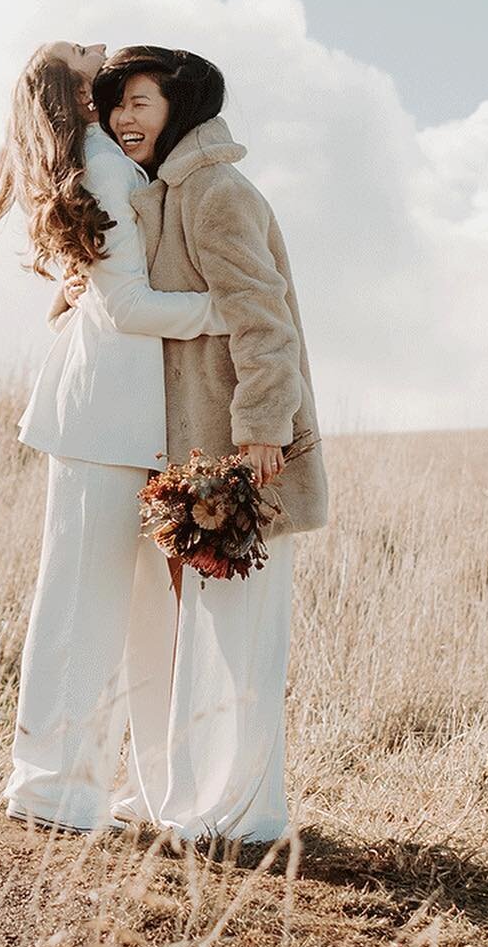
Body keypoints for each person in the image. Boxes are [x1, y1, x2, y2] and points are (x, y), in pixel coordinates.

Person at [0, 40, 227, 833]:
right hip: (99, 421)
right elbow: (132, 308)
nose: (100, 49)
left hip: (137, 424)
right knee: (80, 610)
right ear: (79, 94)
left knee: (146, 619)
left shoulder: (115, 162)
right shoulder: (106, 169)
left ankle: (140, 792)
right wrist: (229, 312)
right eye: (85, 55)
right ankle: (49, 790)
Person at [84, 46, 329, 844]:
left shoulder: (216, 192)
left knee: (235, 631)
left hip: (238, 451)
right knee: (195, 625)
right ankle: (188, 793)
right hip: (191, 452)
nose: (123, 118)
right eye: (116, 103)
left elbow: (266, 320)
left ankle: (235, 808)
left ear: (180, 108)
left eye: (141, 103)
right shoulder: (169, 192)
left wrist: (262, 429)